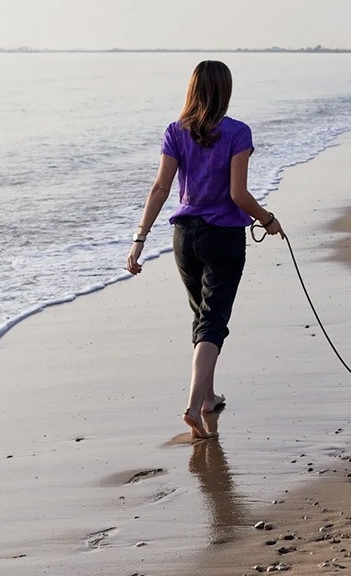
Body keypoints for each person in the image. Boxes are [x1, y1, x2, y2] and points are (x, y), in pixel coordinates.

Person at [126, 60, 283, 440]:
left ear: (192, 89)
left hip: (184, 236)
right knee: (212, 322)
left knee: (202, 319)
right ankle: (194, 406)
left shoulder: (175, 132)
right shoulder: (237, 133)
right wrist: (267, 220)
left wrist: (140, 239)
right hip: (223, 237)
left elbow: (160, 189)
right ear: (225, 91)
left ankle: (209, 397)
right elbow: (238, 195)